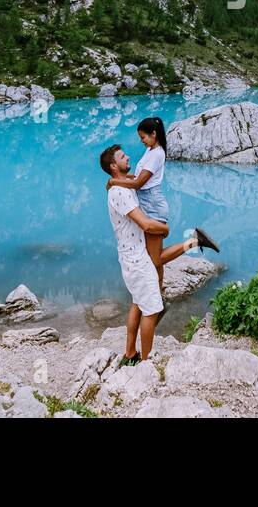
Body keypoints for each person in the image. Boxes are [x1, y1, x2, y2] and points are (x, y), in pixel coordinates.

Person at [99, 143, 217, 364]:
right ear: (114, 165)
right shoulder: (120, 194)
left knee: (137, 303)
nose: (128, 158)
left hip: (132, 255)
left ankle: (130, 353)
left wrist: (114, 180)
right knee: (152, 310)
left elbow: (136, 179)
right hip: (136, 259)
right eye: (123, 157)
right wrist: (164, 229)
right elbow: (145, 224)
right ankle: (145, 362)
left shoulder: (122, 186)